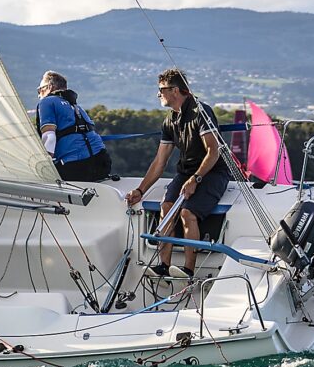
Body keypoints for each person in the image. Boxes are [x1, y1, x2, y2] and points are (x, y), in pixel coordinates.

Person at [125, 68, 230, 278]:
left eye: (161, 90)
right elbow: (160, 161)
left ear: (174, 90)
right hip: (187, 171)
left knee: (187, 213)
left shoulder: (201, 112)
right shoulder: (170, 120)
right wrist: (140, 190)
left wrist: (196, 179)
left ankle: (188, 270)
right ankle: (164, 265)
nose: (158, 95)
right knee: (166, 206)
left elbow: (214, 151)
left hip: (213, 172)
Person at [36, 70, 112, 182]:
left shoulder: (47, 102)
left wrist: (43, 166)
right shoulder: (77, 107)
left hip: (75, 168)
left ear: (50, 87)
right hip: (103, 163)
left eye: (40, 89)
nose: (39, 94)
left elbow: (50, 137)